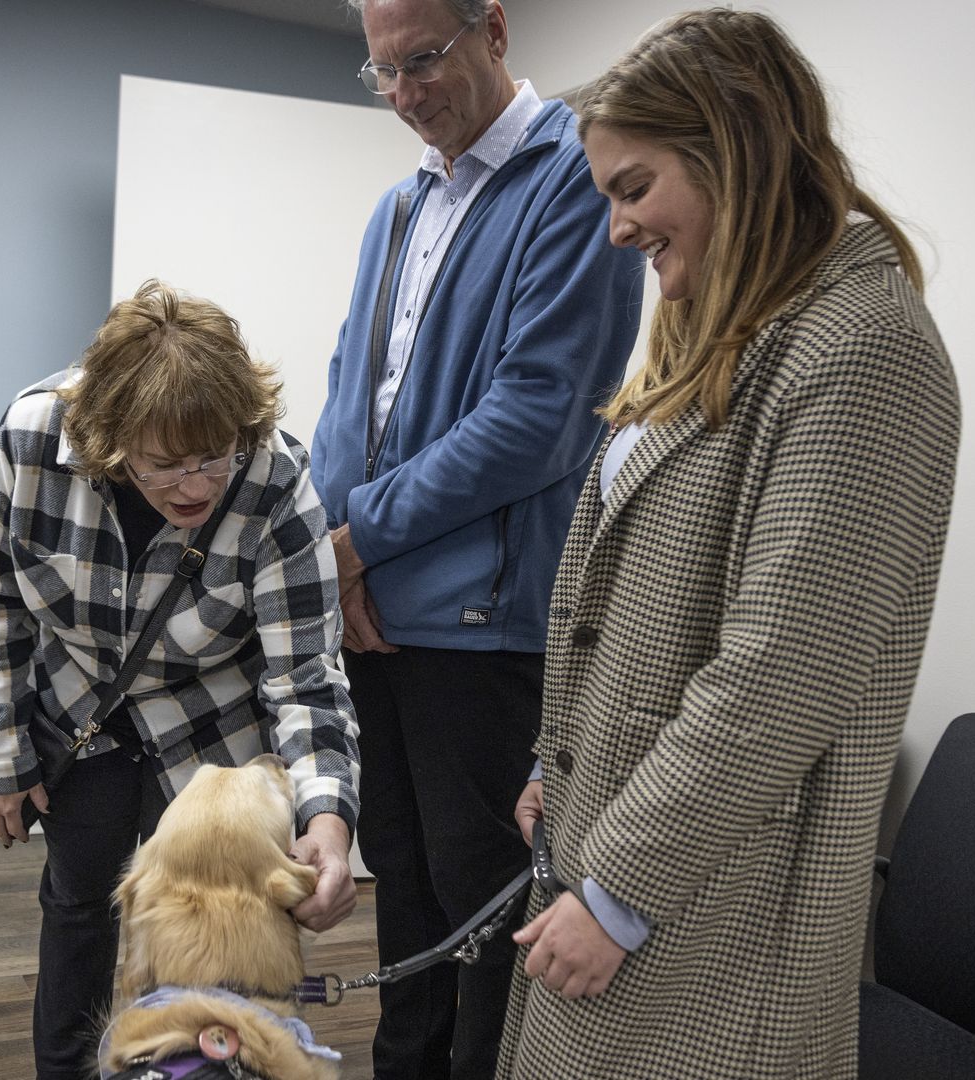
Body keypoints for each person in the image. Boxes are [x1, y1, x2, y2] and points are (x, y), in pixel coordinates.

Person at [496, 10, 964, 1077]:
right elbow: (635, 606)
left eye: (633, 187)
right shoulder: (734, 321)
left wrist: (616, 895)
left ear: (736, 152)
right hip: (628, 845)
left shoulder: (863, 352)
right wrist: (556, 759)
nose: (616, 229)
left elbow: (778, 677)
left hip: (708, 909)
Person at [308, 1, 641, 1074]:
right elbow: (347, 398)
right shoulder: (398, 207)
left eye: (424, 62)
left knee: (483, 921)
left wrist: (359, 539)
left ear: (493, 28)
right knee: (401, 896)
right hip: (374, 618)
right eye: (382, 72)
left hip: (484, 630)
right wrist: (332, 557)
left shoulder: (572, 178)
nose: (404, 96)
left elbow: (534, 422)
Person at [0, 280, 360, 1079]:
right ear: (109, 439)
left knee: (217, 926)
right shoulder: (32, 437)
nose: (195, 486)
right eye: (165, 464)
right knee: (77, 905)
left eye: (215, 457)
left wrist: (330, 822)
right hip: (83, 713)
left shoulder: (276, 475)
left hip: (217, 728)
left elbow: (305, 677)